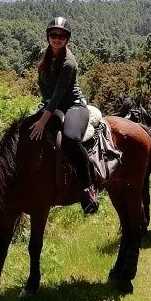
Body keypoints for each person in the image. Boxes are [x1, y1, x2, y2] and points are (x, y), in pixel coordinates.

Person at [29, 17, 98, 214]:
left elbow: (59, 94)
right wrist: (42, 109)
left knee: (70, 138)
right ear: (48, 36)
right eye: (53, 35)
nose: (57, 39)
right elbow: (43, 85)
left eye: (62, 35)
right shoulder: (44, 54)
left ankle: (88, 186)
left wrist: (43, 120)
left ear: (67, 38)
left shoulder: (69, 63)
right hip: (51, 104)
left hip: (73, 105)